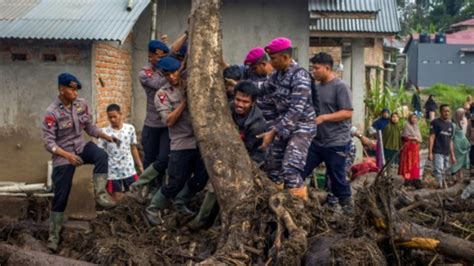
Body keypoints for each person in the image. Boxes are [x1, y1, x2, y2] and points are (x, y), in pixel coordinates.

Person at [42, 73, 119, 251]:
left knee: (100, 155)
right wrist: (68, 157)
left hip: (80, 148)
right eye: (71, 89)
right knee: (61, 196)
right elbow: (49, 143)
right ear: (61, 89)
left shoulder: (81, 105)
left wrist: (105, 136)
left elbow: (89, 127)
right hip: (63, 155)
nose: (75, 92)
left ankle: (100, 196)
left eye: (76, 89)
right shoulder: (52, 112)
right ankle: (53, 237)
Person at [188, 81, 267, 229]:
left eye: (245, 102)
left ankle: (223, 224)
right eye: (238, 99)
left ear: (253, 103)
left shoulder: (257, 123)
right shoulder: (227, 109)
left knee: (235, 188)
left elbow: (247, 151)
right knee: (214, 185)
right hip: (228, 153)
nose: (240, 104)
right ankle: (201, 220)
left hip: (251, 158)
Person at [145, 56, 209, 225]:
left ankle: (181, 202)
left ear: (179, 70)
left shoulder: (190, 84)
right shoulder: (162, 94)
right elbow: (169, 121)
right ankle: (153, 208)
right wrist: (184, 103)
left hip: (199, 140)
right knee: (175, 181)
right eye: (167, 75)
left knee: (202, 178)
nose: (172, 77)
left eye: (174, 72)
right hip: (180, 142)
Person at [257, 37, 317, 201]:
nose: (271, 62)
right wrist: (239, 86)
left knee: (290, 169)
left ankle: (299, 211)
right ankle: (278, 203)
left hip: (302, 127)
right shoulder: (277, 75)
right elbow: (262, 89)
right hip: (283, 127)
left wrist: (273, 131)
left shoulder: (300, 76)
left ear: (285, 57)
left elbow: (296, 110)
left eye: (273, 58)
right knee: (272, 167)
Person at [301, 52, 353, 211]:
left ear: (327, 68)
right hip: (317, 141)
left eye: (316, 68)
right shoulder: (316, 88)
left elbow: (347, 112)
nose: (313, 71)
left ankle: (349, 211)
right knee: (300, 170)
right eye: (312, 68)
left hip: (336, 142)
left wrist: (324, 118)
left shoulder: (340, 86)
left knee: (337, 179)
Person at [132, 40, 171, 199]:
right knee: (149, 158)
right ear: (151, 56)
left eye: (165, 57)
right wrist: (171, 67)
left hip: (167, 125)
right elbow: (158, 83)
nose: (162, 61)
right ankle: (146, 187)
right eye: (160, 58)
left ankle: (158, 189)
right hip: (152, 125)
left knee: (163, 159)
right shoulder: (145, 73)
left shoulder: (167, 68)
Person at [98, 104, 144, 202]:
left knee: (135, 195)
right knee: (117, 198)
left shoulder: (129, 129)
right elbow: (101, 153)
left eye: (115, 116)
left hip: (129, 169)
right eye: (110, 117)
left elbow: (133, 148)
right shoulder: (104, 132)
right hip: (113, 171)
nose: (113, 119)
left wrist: (139, 166)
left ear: (120, 114)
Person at [429, 104, 455, 189]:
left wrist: (453, 155)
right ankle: (440, 187)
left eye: (448, 111)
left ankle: (443, 187)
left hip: (446, 152)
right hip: (437, 151)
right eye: (445, 111)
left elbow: (450, 140)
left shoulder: (450, 125)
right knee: (438, 170)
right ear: (440, 112)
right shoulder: (435, 122)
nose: (447, 113)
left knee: (445, 171)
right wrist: (430, 152)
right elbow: (432, 137)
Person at [399, 114, 422, 189]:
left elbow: (420, 139)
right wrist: (414, 138)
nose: (414, 119)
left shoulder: (416, 127)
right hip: (408, 150)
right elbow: (405, 137)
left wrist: (416, 139)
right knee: (408, 164)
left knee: (415, 165)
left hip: (415, 150)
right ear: (409, 118)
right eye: (413, 117)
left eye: (415, 117)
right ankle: (407, 180)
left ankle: (415, 179)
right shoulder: (407, 126)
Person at [451, 108, 471, 181]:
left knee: (462, 160)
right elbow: (452, 137)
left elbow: (465, 132)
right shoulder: (453, 124)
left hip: (463, 144)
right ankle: (454, 175)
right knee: (456, 160)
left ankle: (460, 174)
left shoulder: (464, 121)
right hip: (457, 145)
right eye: (461, 114)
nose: (463, 115)